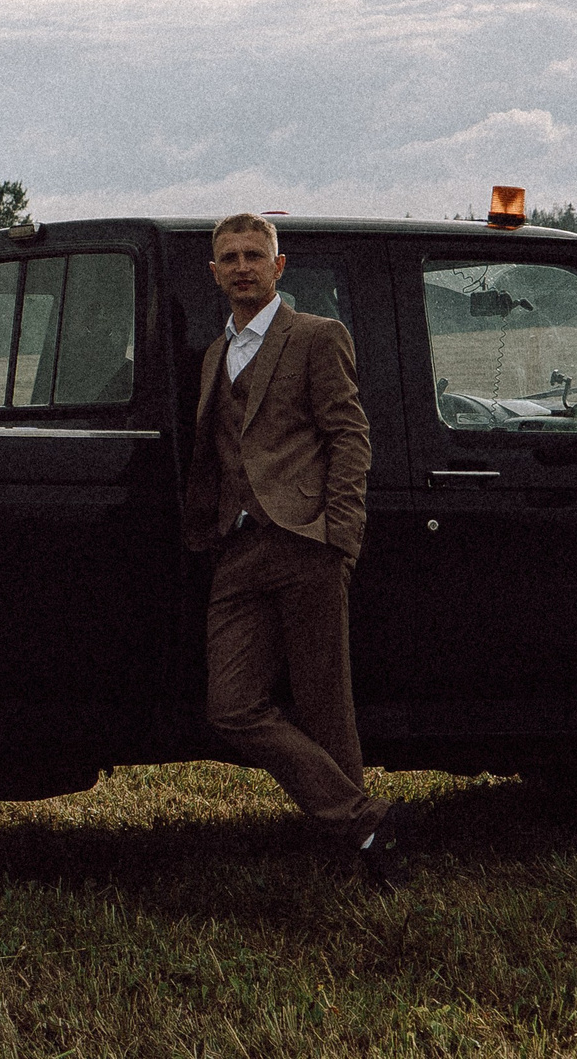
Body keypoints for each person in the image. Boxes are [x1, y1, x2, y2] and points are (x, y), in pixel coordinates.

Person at [185, 211, 414, 880]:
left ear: (279, 266)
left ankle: (358, 851)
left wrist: (339, 535)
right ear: (214, 272)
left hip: (305, 543)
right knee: (231, 706)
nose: (242, 266)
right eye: (230, 257)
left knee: (324, 704)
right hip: (237, 549)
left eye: (254, 254)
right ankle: (366, 820)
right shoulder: (215, 354)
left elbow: (350, 436)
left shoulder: (316, 335)